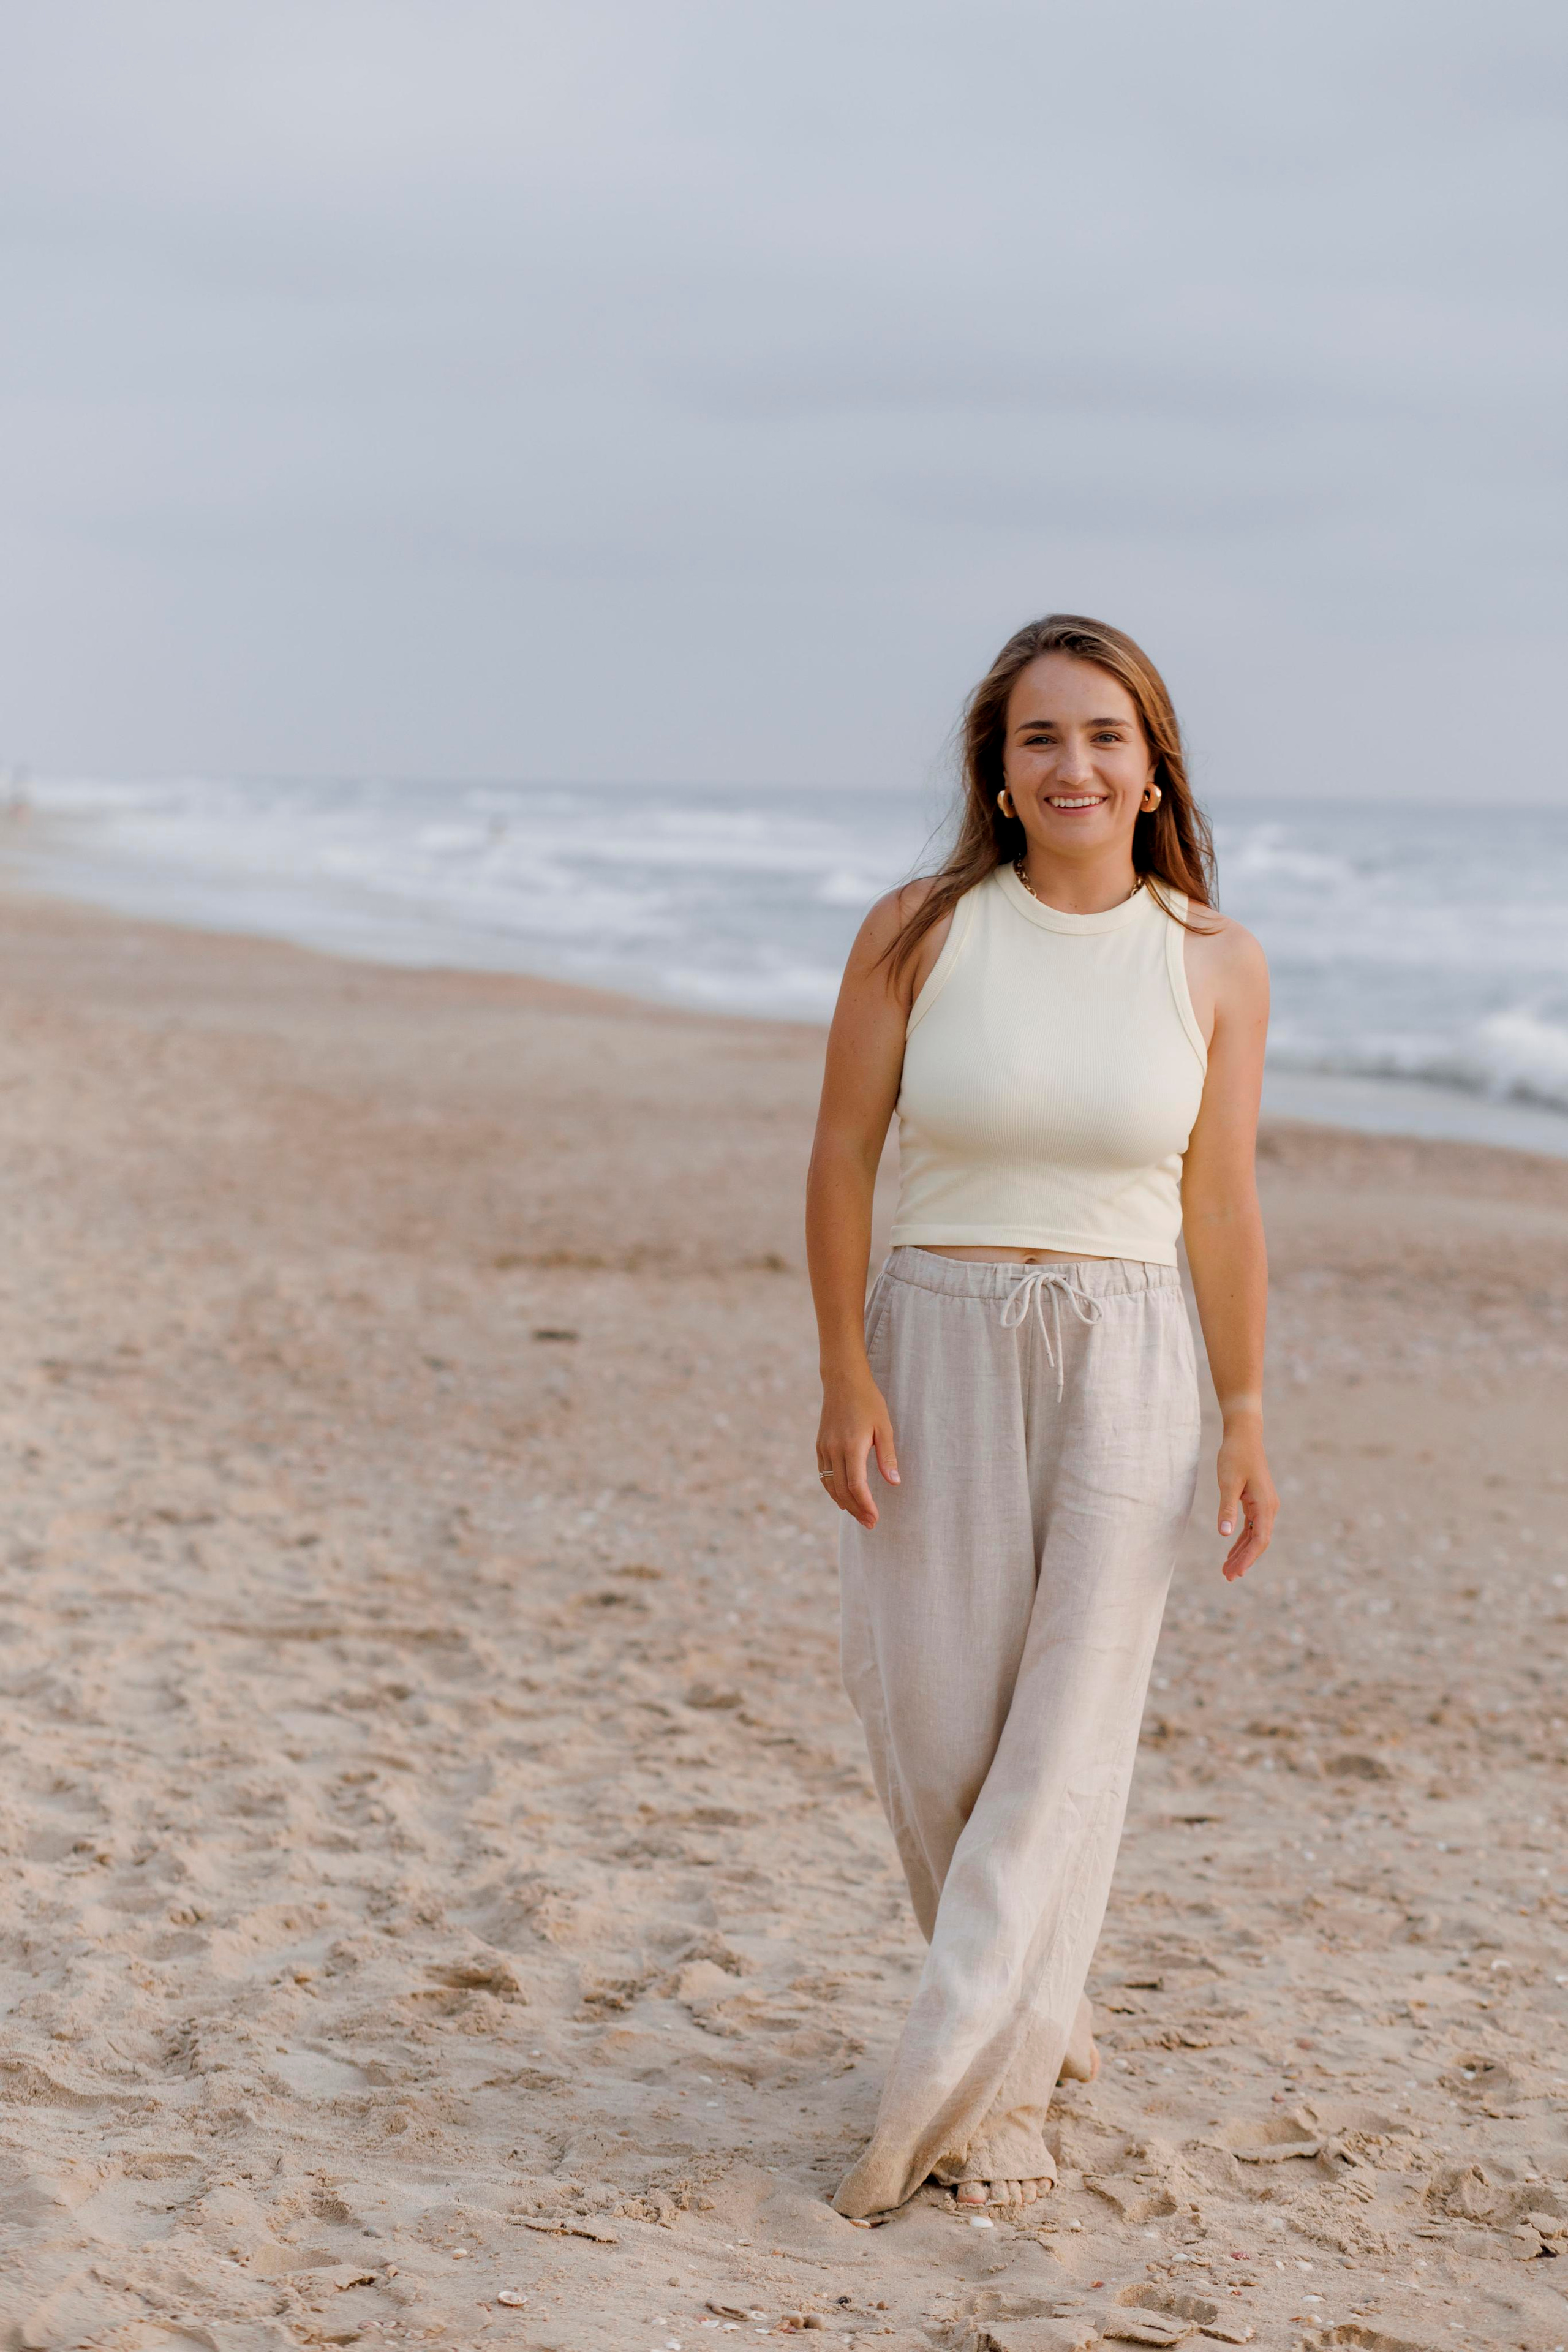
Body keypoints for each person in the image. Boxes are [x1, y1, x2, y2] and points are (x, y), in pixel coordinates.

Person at [805, 612, 1276, 2220]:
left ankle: (976, 2099)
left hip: (1131, 1355)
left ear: (1154, 769)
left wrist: (1246, 1413)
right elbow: (841, 1157)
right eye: (1040, 738)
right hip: (933, 1337)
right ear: (999, 777)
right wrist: (843, 1370)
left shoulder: (1214, 961)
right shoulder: (919, 932)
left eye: (1105, 735)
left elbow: (1223, 1204)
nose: (1075, 764)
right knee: (935, 1720)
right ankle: (1032, 2002)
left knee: (1069, 1727)